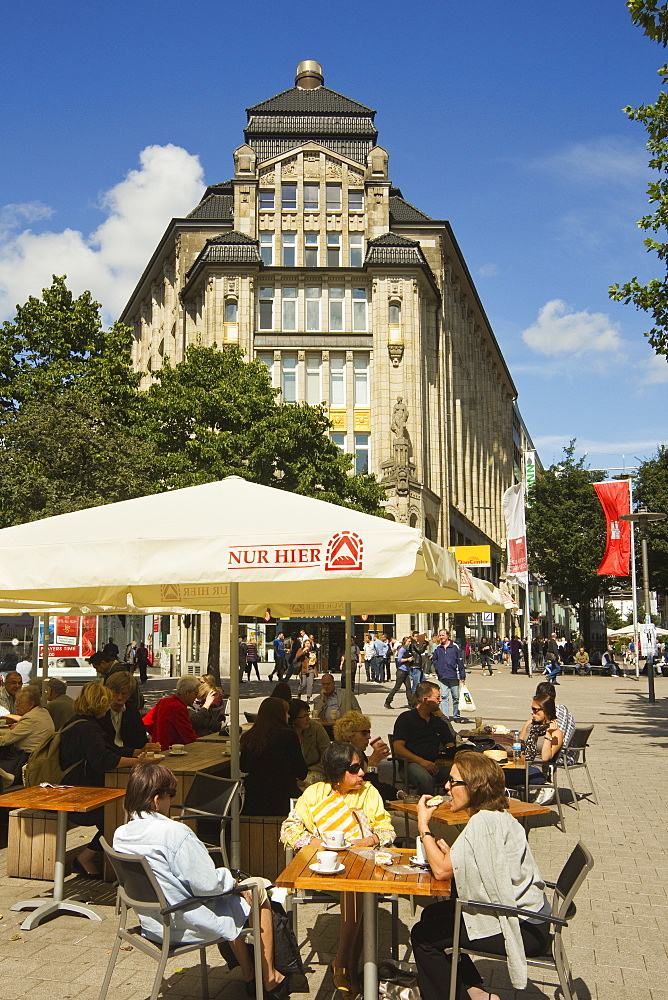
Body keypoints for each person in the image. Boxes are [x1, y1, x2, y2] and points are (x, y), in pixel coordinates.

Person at [113, 762, 287, 999]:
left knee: (232, 896)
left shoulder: (121, 834)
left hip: (152, 923)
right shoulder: (175, 832)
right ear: (156, 799)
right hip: (184, 923)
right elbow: (208, 885)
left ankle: (249, 975)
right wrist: (233, 880)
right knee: (258, 888)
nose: (170, 802)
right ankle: (268, 978)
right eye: (170, 796)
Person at [411, 752, 551, 1000]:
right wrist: (455, 855)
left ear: (474, 787)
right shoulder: (496, 815)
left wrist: (423, 825)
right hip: (533, 918)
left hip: (523, 926)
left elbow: (442, 871)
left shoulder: (482, 823)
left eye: (453, 782)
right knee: (432, 916)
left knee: (424, 936)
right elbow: (480, 861)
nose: (446, 786)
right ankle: (475, 992)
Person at [281, 741, 395, 995]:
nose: (362, 773)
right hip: (324, 868)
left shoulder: (368, 793)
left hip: (361, 866)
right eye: (354, 769)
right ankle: (348, 965)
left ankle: (344, 963)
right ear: (337, 770)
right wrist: (316, 842)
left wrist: (372, 839)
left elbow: (387, 830)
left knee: (357, 888)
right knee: (359, 891)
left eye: (362, 766)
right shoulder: (314, 794)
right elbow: (289, 829)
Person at [60, 682, 145, 876]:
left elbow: (108, 749)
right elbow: (104, 759)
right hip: (79, 791)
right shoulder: (88, 728)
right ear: (98, 704)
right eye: (105, 703)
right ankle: (86, 858)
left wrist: (137, 753)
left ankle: (99, 855)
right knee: (118, 816)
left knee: (119, 811)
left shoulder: (80, 722)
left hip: (76, 785)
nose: (108, 707)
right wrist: (137, 761)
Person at [240, 697, 307, 816]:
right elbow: (301, 772)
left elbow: (244, 766)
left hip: (254, 799)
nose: (289, 716)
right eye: (286, 712)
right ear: (279, 715)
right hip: (283, 798)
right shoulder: (289, 736)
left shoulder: (248, 737)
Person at [392, 681, 456, 794]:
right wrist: (421, 761)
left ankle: (448, 805)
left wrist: (441, 715)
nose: (440, 700)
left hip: (435, 764)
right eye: (437, 698)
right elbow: (398, 748)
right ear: (426, 700)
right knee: (425, 779)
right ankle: (426, 808)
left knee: (461, 774)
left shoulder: (438, 722)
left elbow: (451, 744)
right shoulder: (406, 718)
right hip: (411, 764)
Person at [505, 693, 564, 804]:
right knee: (492, 771)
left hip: (537, 771)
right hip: (521, 765)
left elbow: (546, 757)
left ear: (546, 711)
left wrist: (548, 734)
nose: (532, 712)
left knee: (496, 775)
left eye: (535, 710)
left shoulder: (557, 733)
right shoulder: (529, 724)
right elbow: (520, 745)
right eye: (532, 709)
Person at [333, 711, 399, 802]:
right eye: (364, 733)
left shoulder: (358, 753)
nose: (369, 736)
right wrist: (372, 765)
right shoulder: (343, 757)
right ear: (349, 735)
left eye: (369, 732)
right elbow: (367, 790)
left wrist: (398, 793)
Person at [0, 685, 54, 787]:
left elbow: (4, 741)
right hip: (42, 758)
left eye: (20, 703)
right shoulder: (43, 712)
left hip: (26, 760)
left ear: (31, 704)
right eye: (16, 702)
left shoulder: (29, 719)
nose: (16, 705)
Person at [98, 671, 154, 753]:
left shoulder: (132, 710)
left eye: (124, 693)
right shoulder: (100, 712)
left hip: (130, 755)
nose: (120, 697)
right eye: (116, 692)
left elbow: (141, 739)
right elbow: (102, 746)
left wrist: (148, 747)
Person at [142, 675, 201, 751]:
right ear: (186, 693)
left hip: (157, 748)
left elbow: (146, 722)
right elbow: (188, 736)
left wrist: (157, 737)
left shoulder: (163, 702)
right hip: (171, 751)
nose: (195, 698)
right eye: (195, 694)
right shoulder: (178, 708)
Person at [289, 699, 330, 785]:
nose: (308, 719)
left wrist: (309, 770)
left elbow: (328, 756)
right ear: (293, 719)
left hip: (315, 771)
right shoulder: (286, 734)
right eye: (304, 716)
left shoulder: (316, 728)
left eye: (308, 714)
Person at [431, 629, 466, 722]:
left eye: (443, 635)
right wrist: (437, 669)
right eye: (440, 635)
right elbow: (434, 660)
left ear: (447, 636)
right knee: (444, 697)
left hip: (453, 675)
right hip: (442, 676)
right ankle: (445, 717)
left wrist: (462, 676)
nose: (441, 637)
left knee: (456, 697)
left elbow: (460, 661)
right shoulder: (438, 648)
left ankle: (456, 716)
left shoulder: (454, 647)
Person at [384, 637, 414, 709]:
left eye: (410, 642)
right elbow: (399, 660)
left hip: (406, 671)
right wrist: (408, 659)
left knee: (408, 688)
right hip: (401, 671)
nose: (409, 643)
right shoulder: (402, 649)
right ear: (405, 642)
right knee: (397, 687)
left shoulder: (407, 649)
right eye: (408, 641)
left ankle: (411, 704)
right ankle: (388, 701)